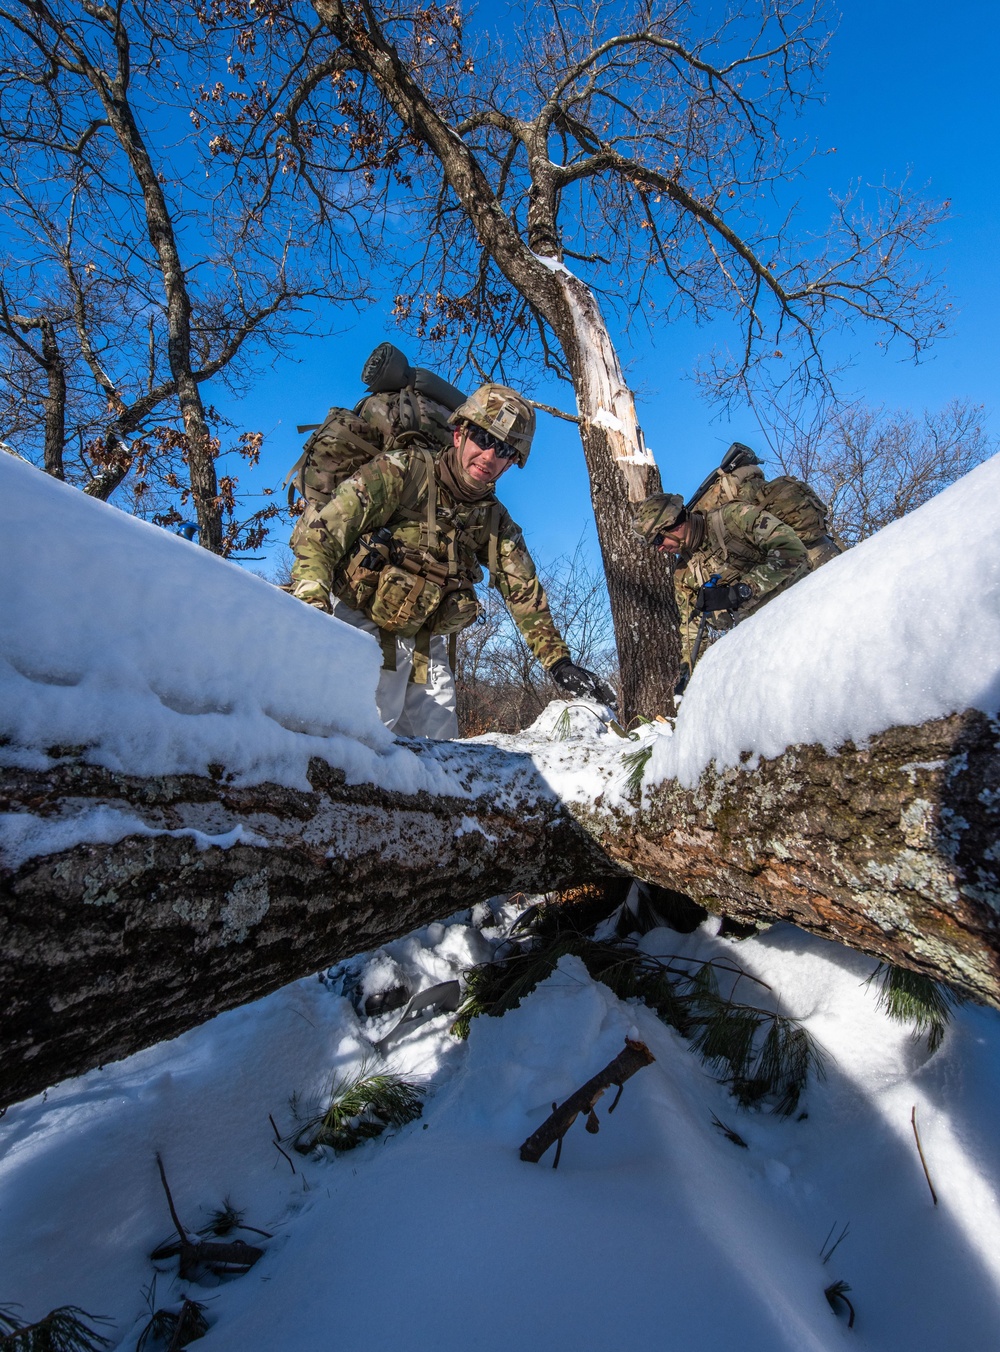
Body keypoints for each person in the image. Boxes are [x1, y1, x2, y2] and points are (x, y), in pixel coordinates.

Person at [290, 382, 613, 738]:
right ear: (459, 434)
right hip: (363, 623)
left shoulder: (493, 520)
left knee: (442, 752)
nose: (489, 457)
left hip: (426, 640)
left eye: (504, 449)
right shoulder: (401, 472)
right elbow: (325, 533)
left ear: (512, 462)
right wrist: (311, 606)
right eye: (483, 439)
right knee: (363, 736)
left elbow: (523, 591)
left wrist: (559, 663)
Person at [633, 491, 810, 680]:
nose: (659, 548)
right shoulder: (683, 573)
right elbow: (691, 634)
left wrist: (742, 590)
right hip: (765, 636)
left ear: (673, 524)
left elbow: (791, 549)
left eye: (658, 540)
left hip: (803, 605)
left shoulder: (733, 518)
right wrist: (688, 680)